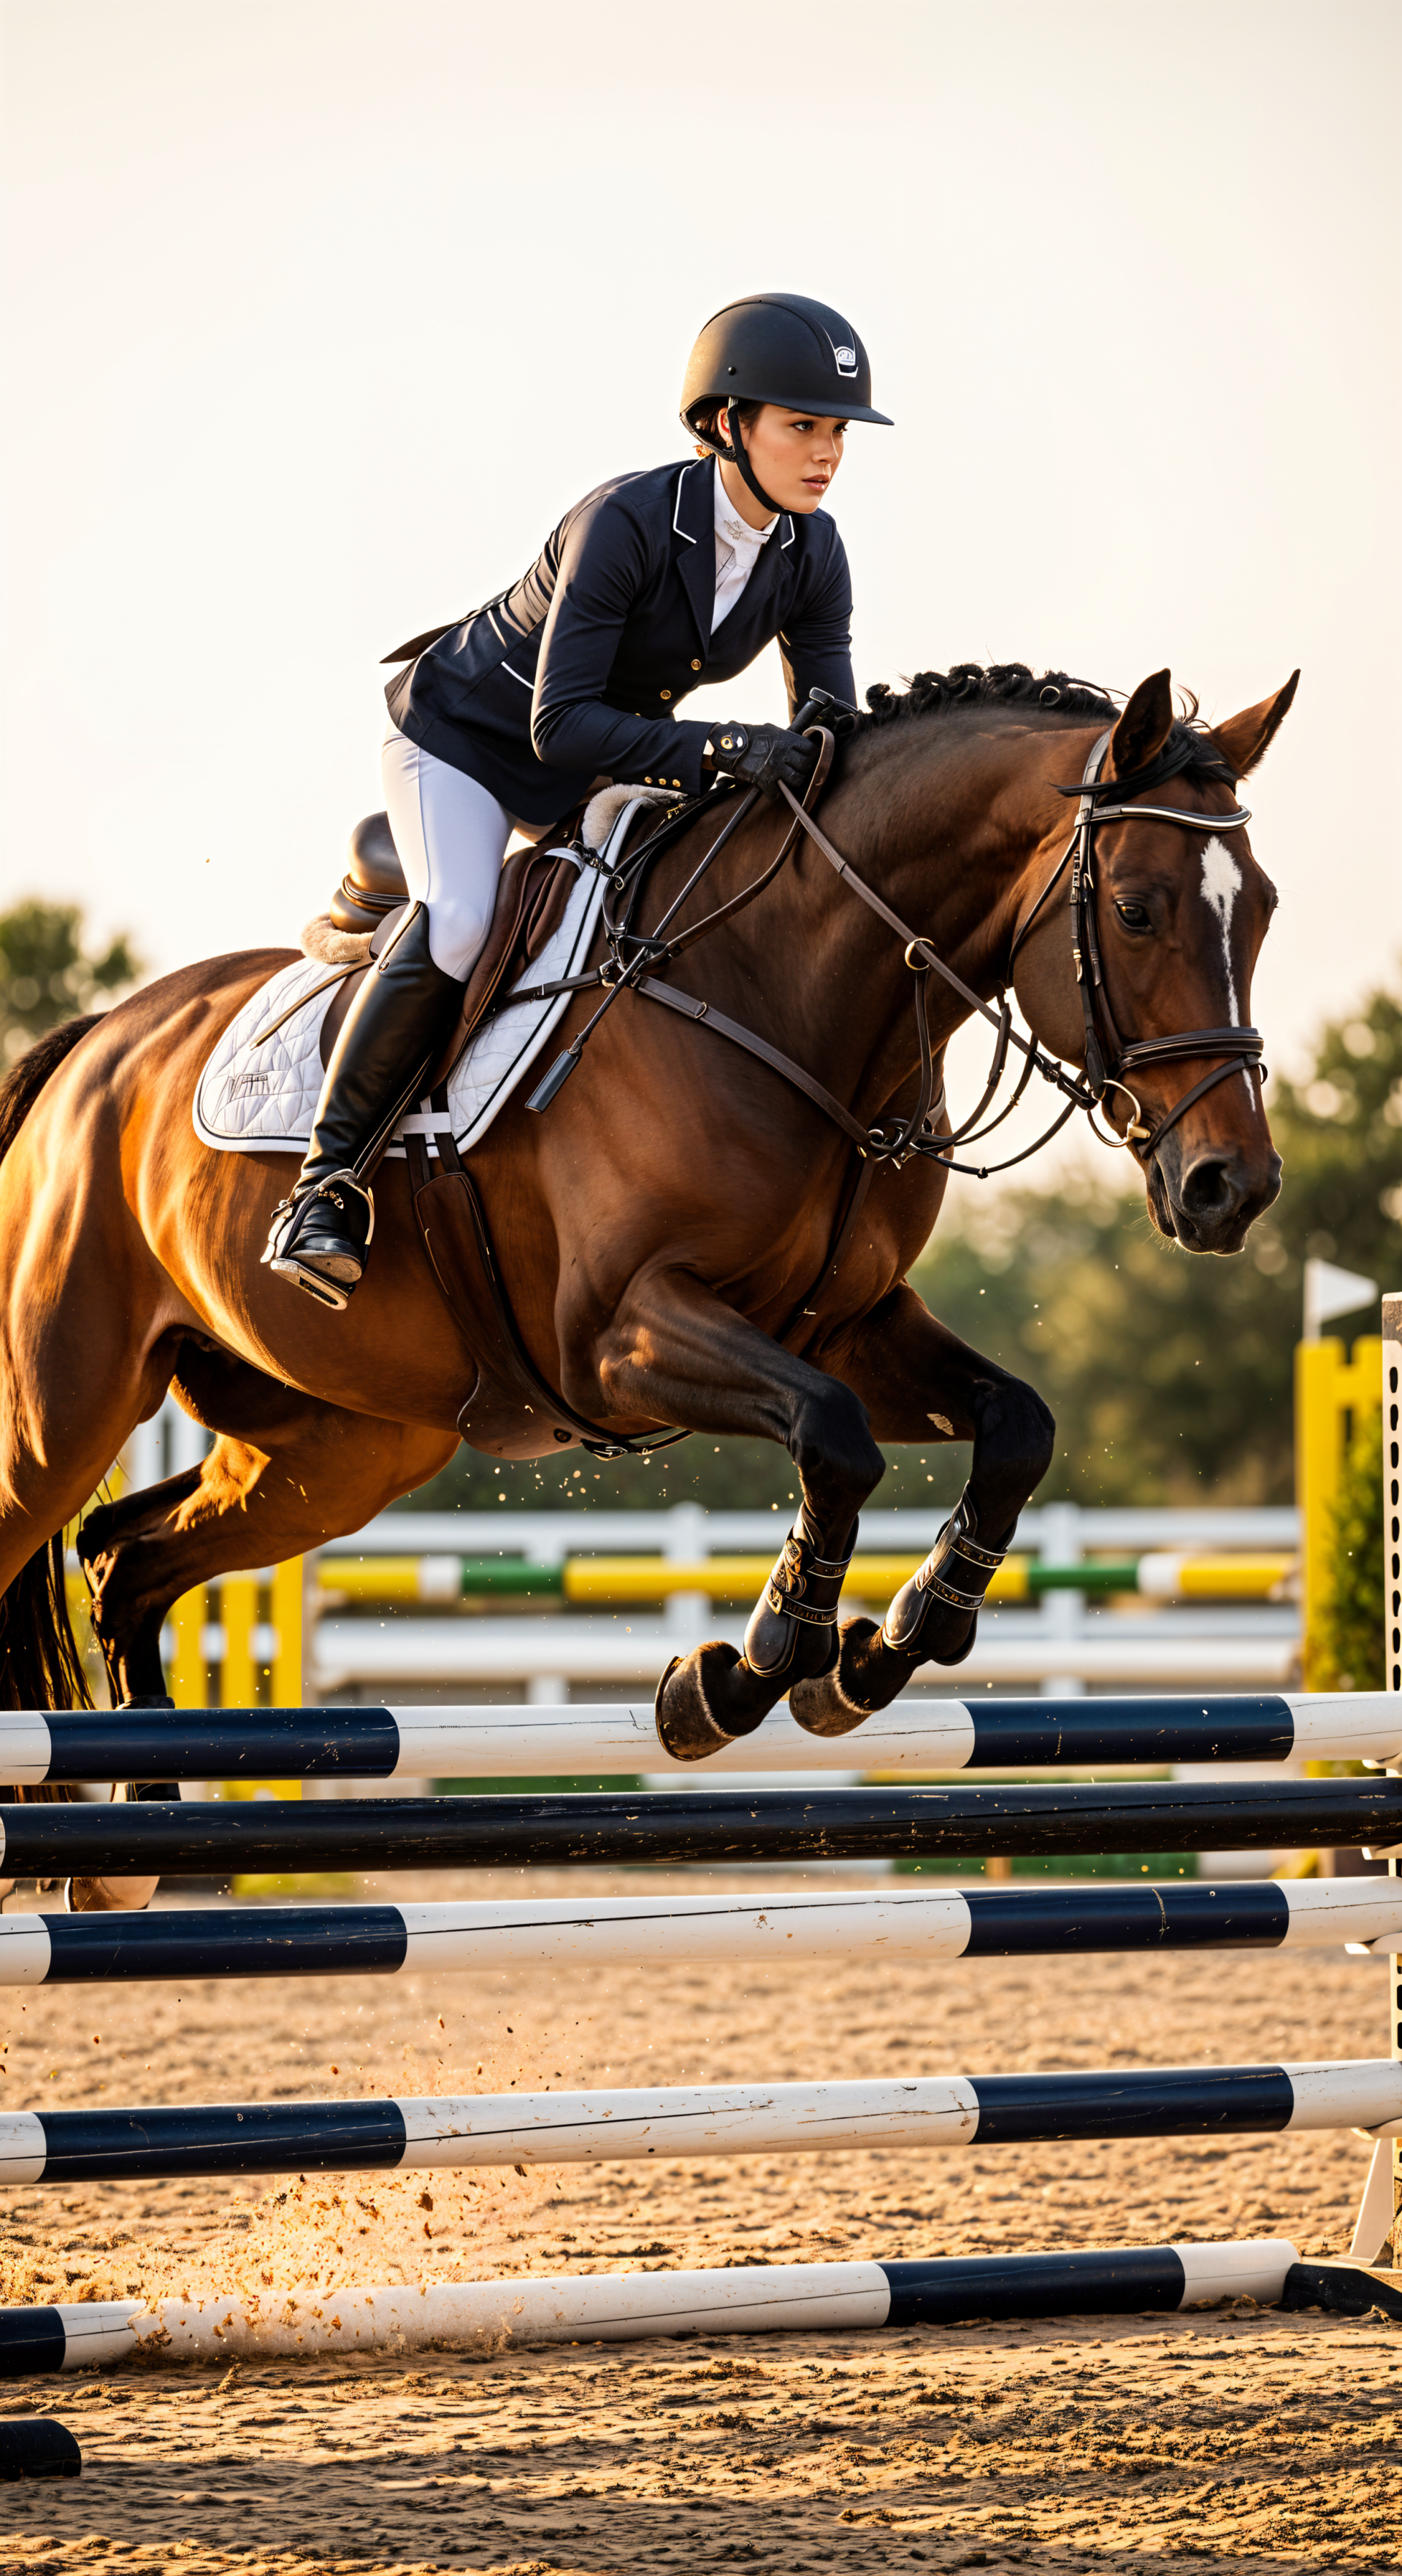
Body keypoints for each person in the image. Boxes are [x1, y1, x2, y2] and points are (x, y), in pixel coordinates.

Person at [264, 292, 892, 1307]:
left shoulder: (811, 551)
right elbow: (560, 726)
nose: (828, 454)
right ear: (726, 425)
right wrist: (729, 746)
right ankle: (324, 1187)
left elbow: (828, 719)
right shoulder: (626, 521)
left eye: (838, 433)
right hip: (467, 743)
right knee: (464, 919)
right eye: (803, 426)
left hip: (600, 763)